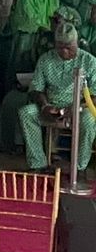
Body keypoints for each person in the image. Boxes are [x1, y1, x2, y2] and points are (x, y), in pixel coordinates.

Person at [18, 21, 96, 172]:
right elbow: (36, 89)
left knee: (89, 119)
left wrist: (76, 107)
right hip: (52, 107)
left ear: (77, 43)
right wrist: (45, 106)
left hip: (80, 108)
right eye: (61, 48)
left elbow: (95, 95)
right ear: (55, 44)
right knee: (26, 113)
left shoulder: (90, 61)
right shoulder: (46, 59)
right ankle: (38, 164)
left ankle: (79, 168)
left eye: (69, 48)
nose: (65, 52)